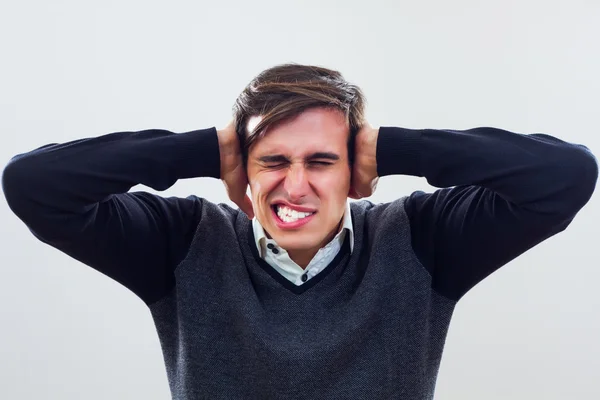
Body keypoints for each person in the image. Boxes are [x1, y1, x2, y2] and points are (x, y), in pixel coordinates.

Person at [2, 63, 598, 400]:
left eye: (320, 161)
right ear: (240, 171)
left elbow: (566, 175)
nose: (296, 185)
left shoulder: (423, 237)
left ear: (356, 172)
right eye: (273, 161)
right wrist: (203, 148)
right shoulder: (180, 240)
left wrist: (392, 146)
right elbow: (34, 184)